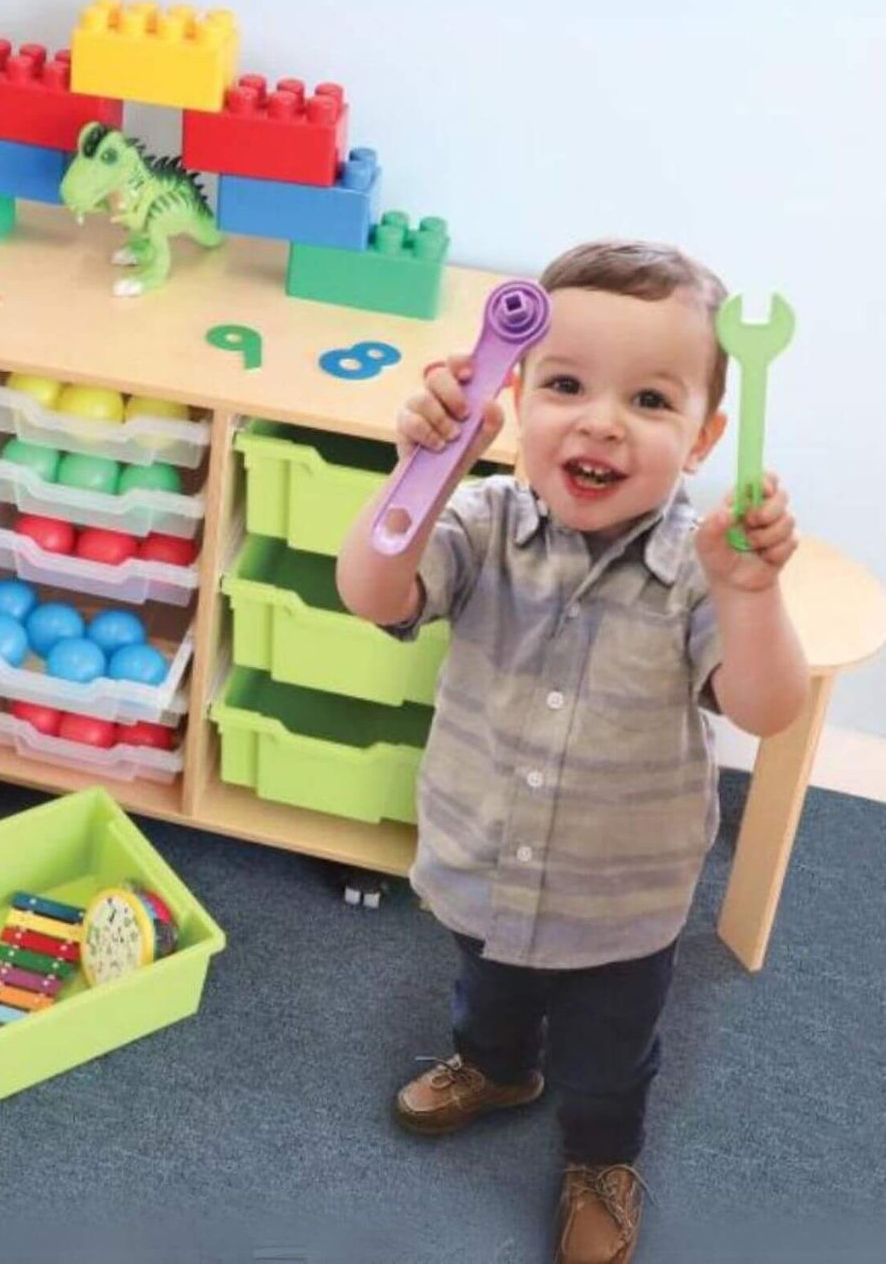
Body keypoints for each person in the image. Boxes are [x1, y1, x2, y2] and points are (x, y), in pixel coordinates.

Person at [335, 241, 808, 1263]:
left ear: (700, 437)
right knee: (484, 993)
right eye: (562, 383)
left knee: (608, 1052)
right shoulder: (482, 516)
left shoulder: (699, 564)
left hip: (619, 899)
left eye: (646, 397)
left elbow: (767, 708)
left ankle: (601, 1153)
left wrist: (750, 591)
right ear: (513, 393)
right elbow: (370, 591)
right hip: (481, 859)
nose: (598, 419)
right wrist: (430, 465)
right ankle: (493, 1066)